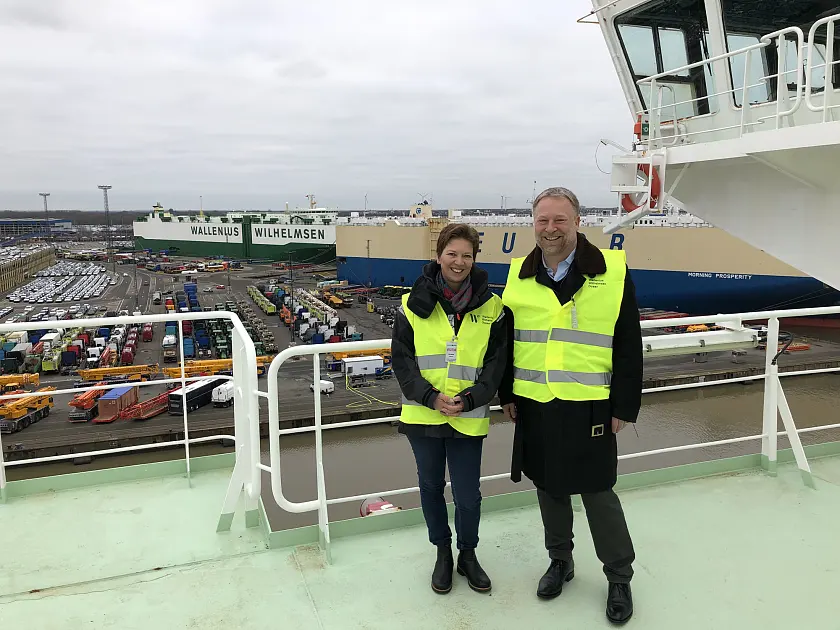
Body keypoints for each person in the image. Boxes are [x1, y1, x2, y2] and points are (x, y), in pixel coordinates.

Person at [499, 187, 642, 625]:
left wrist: (625, 406)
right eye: (543, 221)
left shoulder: (611, 272)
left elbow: (628, 345)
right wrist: (507, 394)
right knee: (549, 488)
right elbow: (508, 341)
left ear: (578, 221)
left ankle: (619, 576)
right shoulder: (518, 276)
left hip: (591, 405)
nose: (550, 229)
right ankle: (560, 560)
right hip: (536, 402)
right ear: (533, 224)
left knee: (598, 493)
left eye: (560, 220)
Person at [391, 223, 507, 595]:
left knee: (468, 493)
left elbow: (496, 364)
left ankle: (467, 554)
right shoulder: (411, 305)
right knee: (430, 487)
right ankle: (442, 552)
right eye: (451, 254)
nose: (458, 262)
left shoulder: (493, 307)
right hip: (424, 414)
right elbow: (402, 361)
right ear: (438, 256)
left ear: (475, 259)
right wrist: (430, 397)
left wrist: (471, 399)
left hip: (468, 414)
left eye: (466, 256)